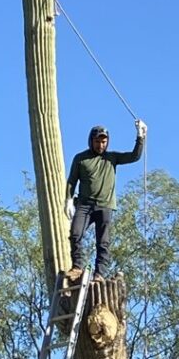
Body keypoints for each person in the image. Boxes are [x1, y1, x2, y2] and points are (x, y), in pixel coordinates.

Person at [64, 119, 147, 283]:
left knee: (103, 243)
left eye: (103, 141)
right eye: (97, 141)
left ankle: (99, 273)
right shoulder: (81, 158)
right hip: (85, 205)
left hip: (105, 206)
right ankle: (77, 266)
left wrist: (140, 136)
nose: (100, 145)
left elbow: (134, 156)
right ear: (91, 141)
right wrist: (68, 199)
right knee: (75, 234)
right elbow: (72, 180)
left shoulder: (112, 158)